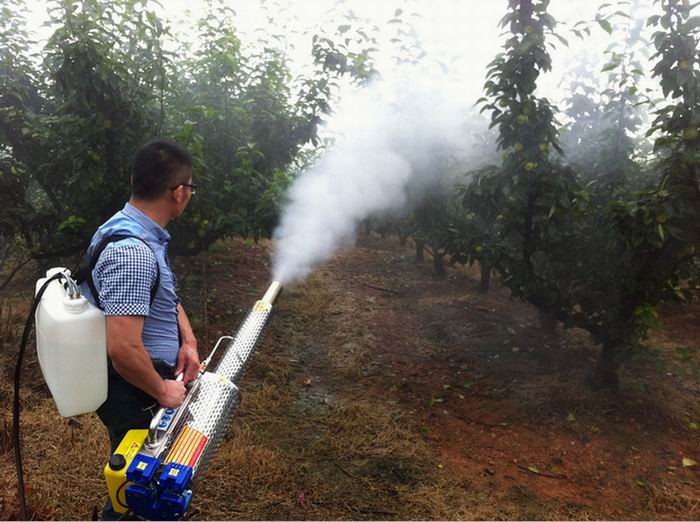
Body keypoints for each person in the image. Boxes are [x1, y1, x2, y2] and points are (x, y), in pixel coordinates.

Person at [79, 140, 200, 515]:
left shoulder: (136, 229)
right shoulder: (131, 252)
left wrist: (188, 339)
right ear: (179, 193)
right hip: (134, 389)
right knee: (139, 488)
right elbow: (124, 349)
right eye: (191, 187)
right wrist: (162, 390)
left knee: (147, 481)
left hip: (143, 382)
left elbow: (162, 293)